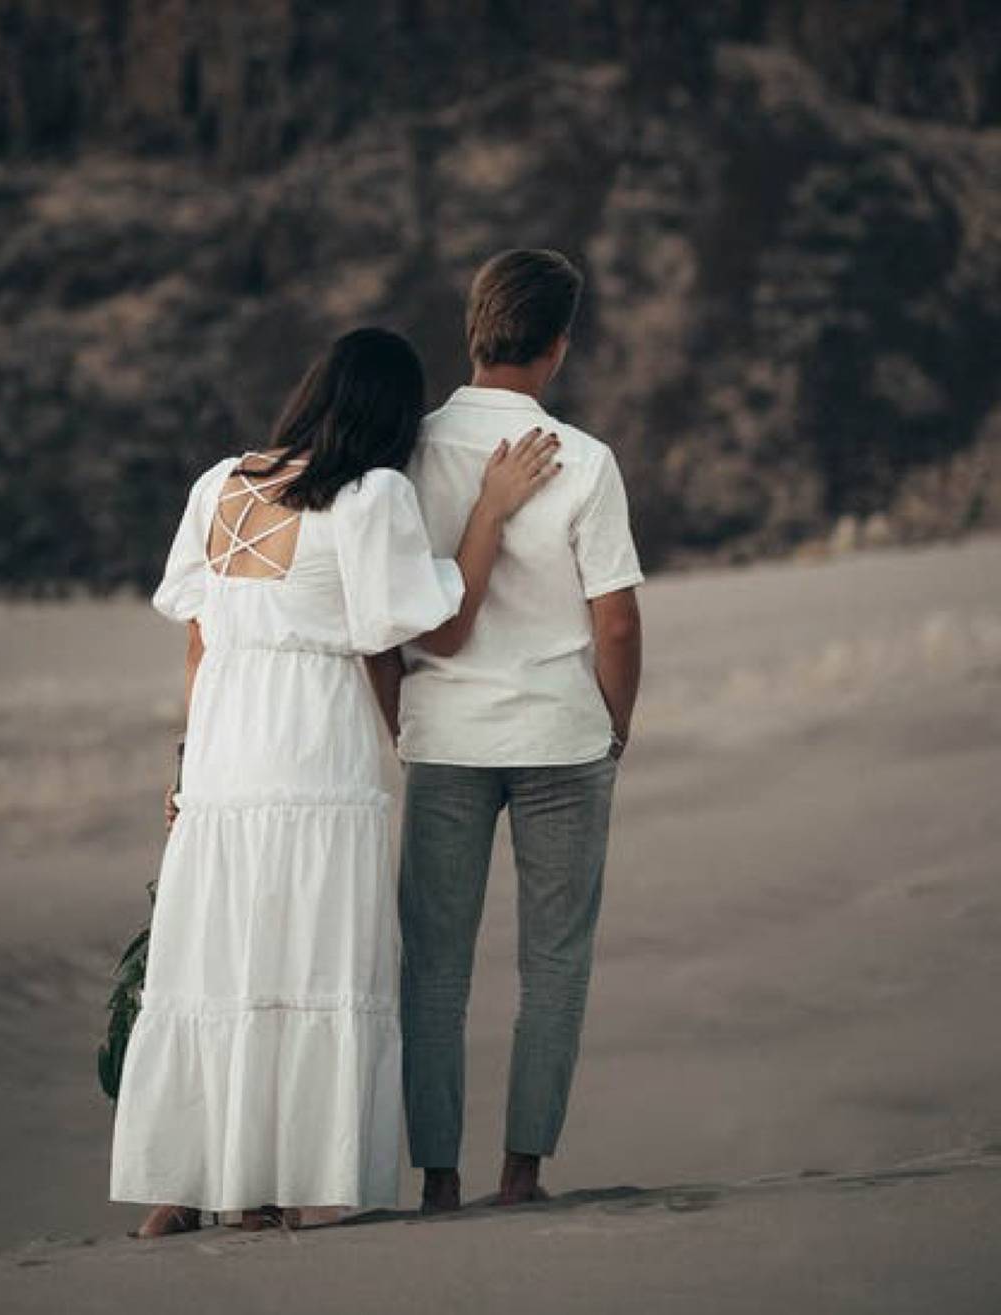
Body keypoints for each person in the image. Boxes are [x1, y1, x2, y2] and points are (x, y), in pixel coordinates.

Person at [109, 327, 561, 1236]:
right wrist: (489, 514)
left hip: (227, 755)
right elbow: (438, 626)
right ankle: (289, 1185)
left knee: (220, 960)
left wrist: (187, 766)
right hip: (314, 749)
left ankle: (193, 1185)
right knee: (307, 959)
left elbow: (200, 639)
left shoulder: (219, 484)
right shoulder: (371, 496)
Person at [387, 249, 644, 1213]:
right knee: (554, 964)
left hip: (445, 738)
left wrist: (398, 718)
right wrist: (613, 726)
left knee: (436, 970)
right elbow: (614, 618)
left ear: (474, 330)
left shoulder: (406, 451)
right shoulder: (584, 459)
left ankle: (439, 1178)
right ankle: (522, 1171)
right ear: (559, 347)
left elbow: (384, 612)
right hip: (560, 739)